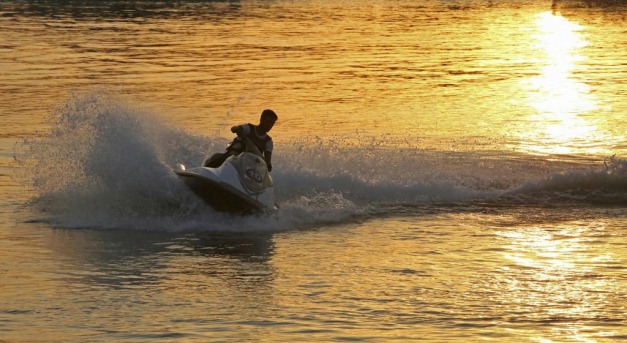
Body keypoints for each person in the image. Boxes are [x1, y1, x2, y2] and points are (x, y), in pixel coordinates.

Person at [204, 109, 278, 171]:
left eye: (272, 123)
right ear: (261, 119)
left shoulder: (268, 142)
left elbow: (268, 163)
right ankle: (206, 171)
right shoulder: (248, 128)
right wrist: (238, 130)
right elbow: (238, 129)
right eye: (268, 122)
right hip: (231, 159)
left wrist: (268, 164)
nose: (270, 125)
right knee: (218, 156)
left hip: (248, 168)